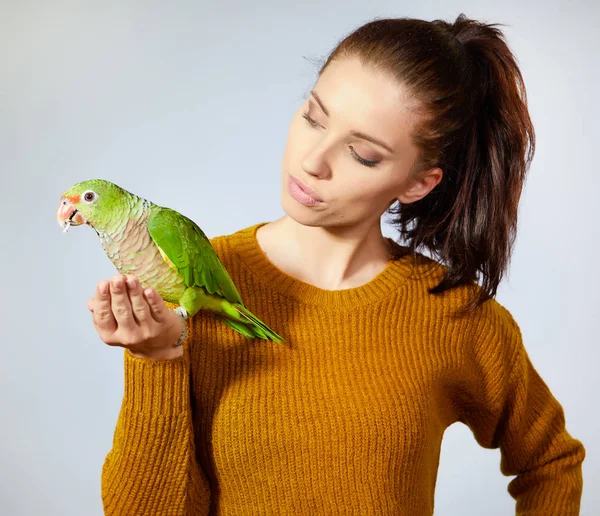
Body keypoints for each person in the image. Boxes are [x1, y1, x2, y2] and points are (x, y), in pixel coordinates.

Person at [90, 14, 586, 515]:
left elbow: (551, 463)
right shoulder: (191, 282)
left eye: (363, 154)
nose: (313, 161)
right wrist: (157, 357)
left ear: (417, 184)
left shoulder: (456, 317)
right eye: (313, 117)